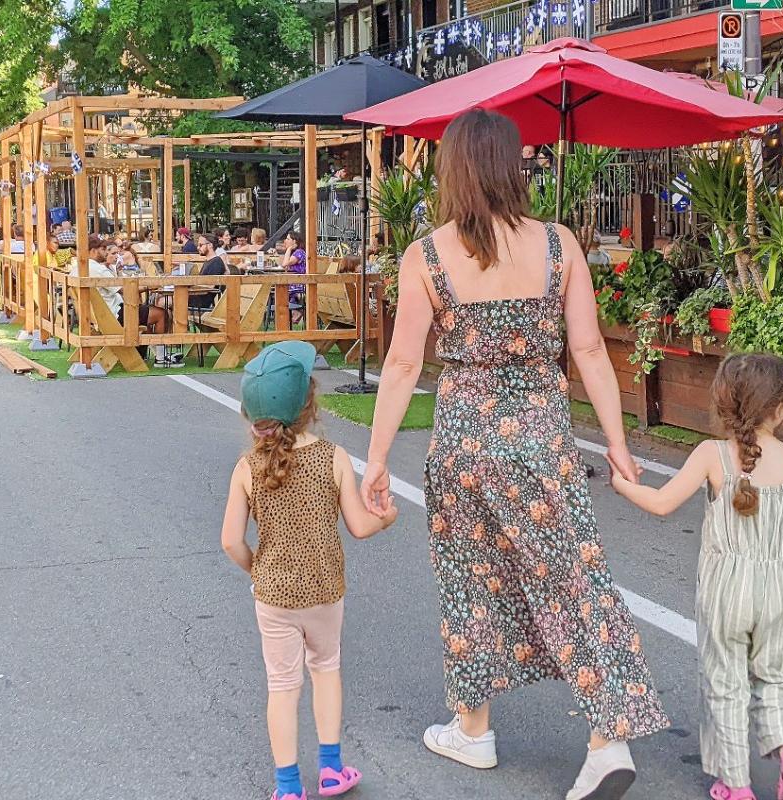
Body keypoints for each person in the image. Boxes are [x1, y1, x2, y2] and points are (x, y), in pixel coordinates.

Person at [358, 109, 668, 800]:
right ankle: (605, 734)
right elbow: (588, 349)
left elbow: (404, 363)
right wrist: (616, 444)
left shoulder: (427, 256)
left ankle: (473, 728)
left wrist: (375, 460)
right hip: (541, 441)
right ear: (511, 166)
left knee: (470, 580)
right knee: (573, 580)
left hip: (464, 443)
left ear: (454, 171)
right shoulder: (559, 245)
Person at [609, 354, 783, 800]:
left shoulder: (712, 456)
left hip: (726, 589)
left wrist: (623, 486)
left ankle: (734, 783)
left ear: (724, 405)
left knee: (724, 679)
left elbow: (664, 503)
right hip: (782, 585)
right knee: (779, 673)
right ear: (781, 408)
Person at [219, 340, 399, 800]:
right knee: (326, 668)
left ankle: (286, 787)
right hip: (324, 591)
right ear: (309, 403)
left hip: (273, 595)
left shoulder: (247, 468)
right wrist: (387, 517)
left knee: (282, 685)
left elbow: (230, 541)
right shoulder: (333, 457)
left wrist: (257, 571)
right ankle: (332, 770)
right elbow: (359, 527)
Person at [84, 236, 175, 364]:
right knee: (161, 314)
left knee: (145, 314)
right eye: (102, 249)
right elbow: (124, 290)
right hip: (113, 315)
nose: (104, 253)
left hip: (102, 315)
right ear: (93, 250)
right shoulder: (98, 269)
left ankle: (140, 355)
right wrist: (151, 285)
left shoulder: (80, 268)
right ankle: (160, 358)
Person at [279, 231, 308, 326]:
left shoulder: (299, 253)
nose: (285, 241)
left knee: (280, 291)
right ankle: (294, 315)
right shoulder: (295, 253)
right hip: (293, 282)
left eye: (288, 239)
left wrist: (289, 249)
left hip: (299, 284)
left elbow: (284, 264)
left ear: (294, 241)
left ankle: (290, 317)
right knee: (278, 290)